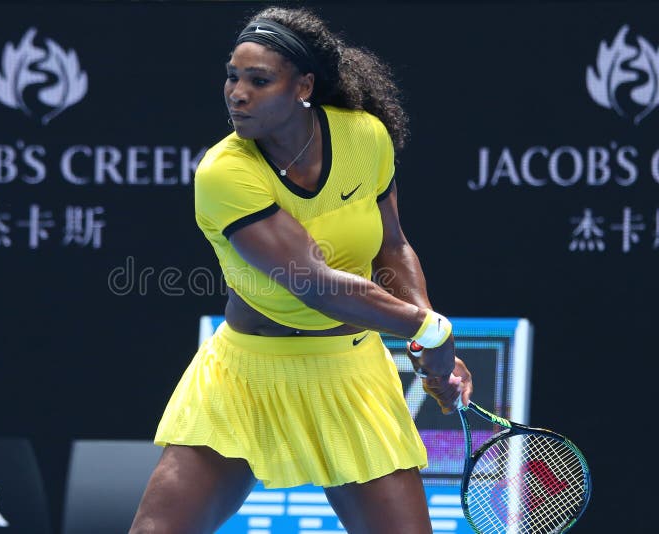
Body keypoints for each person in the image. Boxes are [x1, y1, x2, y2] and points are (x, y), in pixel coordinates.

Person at [130, 6, 473, 534]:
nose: (236, 92)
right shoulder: (225, 172)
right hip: (246, 379)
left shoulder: (365, 138)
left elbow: (392, 246)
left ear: (303, 86)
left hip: (348, 375)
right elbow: (311, 282)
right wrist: (429, 329)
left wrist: (427, 333)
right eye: (232, 76)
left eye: (259, 80)